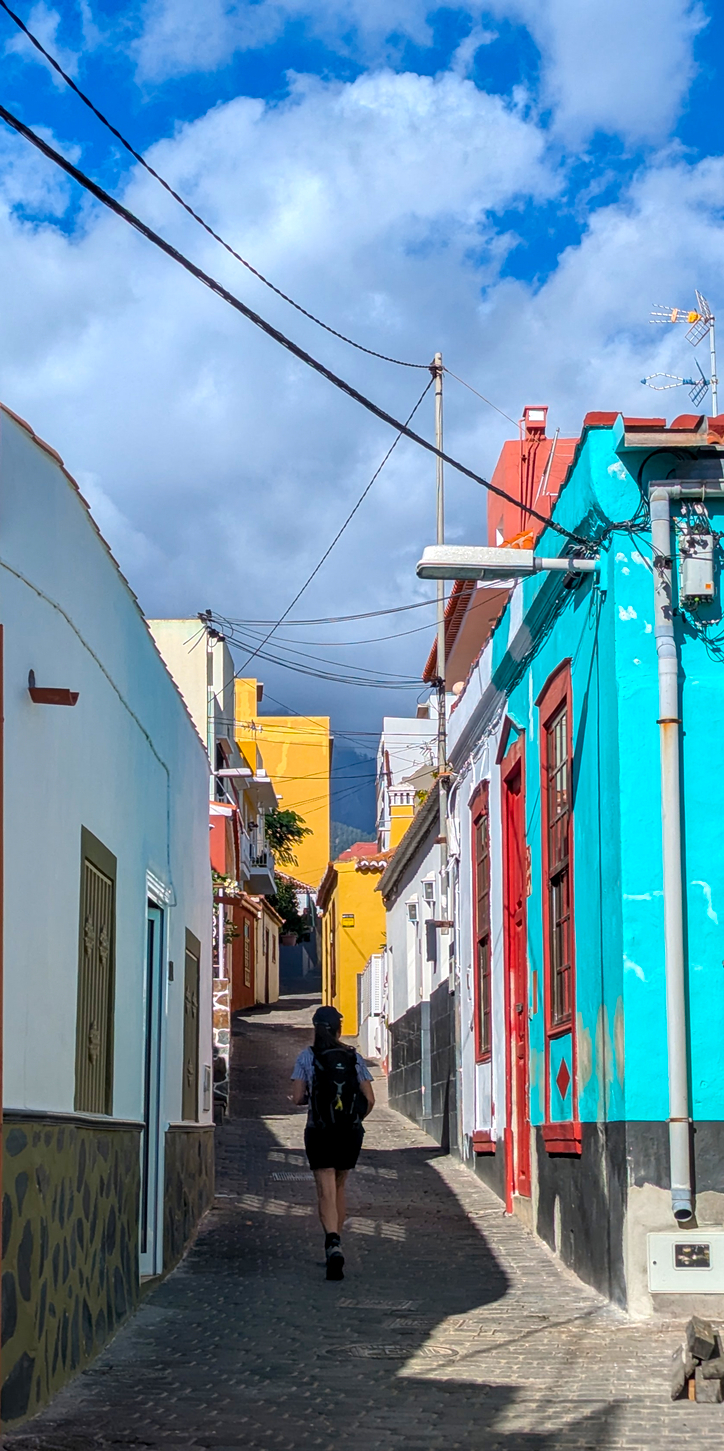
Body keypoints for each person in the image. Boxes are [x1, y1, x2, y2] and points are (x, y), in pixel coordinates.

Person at [291, 1004, 374, 1280]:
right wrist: (354, 1118)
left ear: (315, 1029)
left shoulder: (307, 1057)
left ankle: (332, 1244)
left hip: (319, 1130)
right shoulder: (353, 1057)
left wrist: (312, 1101)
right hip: (349, 1133)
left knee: (324, 1188)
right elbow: (370, 1098)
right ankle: (339, 1243)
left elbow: (297, 1096)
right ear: (338, 1029)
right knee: (340, 1186)